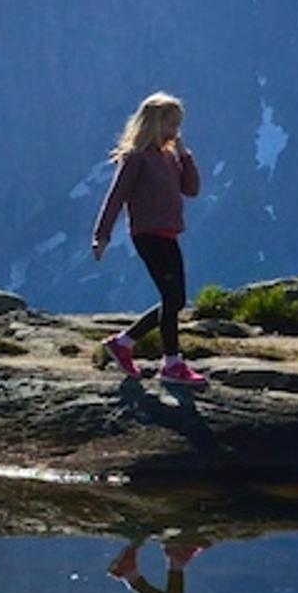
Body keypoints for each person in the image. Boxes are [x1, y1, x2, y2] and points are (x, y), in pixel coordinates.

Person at [90, 91, 206, 389]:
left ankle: (123, 343)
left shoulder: (169, 156)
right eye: (171, 125)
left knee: (176, 299)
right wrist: (101, 236)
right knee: (172, 298)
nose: (175, 131)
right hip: (148, 234)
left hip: (168, 233)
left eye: (178, 125)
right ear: (154, 123)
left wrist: (184, 154)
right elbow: (116, 197)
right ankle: (171, 363)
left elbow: (191, 189)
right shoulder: (136, 158)